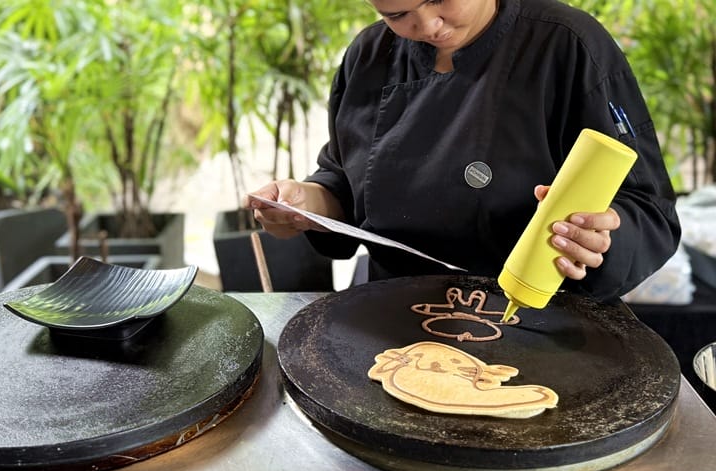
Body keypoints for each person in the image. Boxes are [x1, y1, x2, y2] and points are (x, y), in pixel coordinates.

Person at [246, 0, 680, 302]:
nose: (429, 26)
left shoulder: (567, 44)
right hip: (391, 316)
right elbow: (343, 180)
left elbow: (649, 210)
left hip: (541, 321)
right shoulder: (368, 55)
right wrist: (305, 204)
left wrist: (599, 238)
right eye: (397, 15)